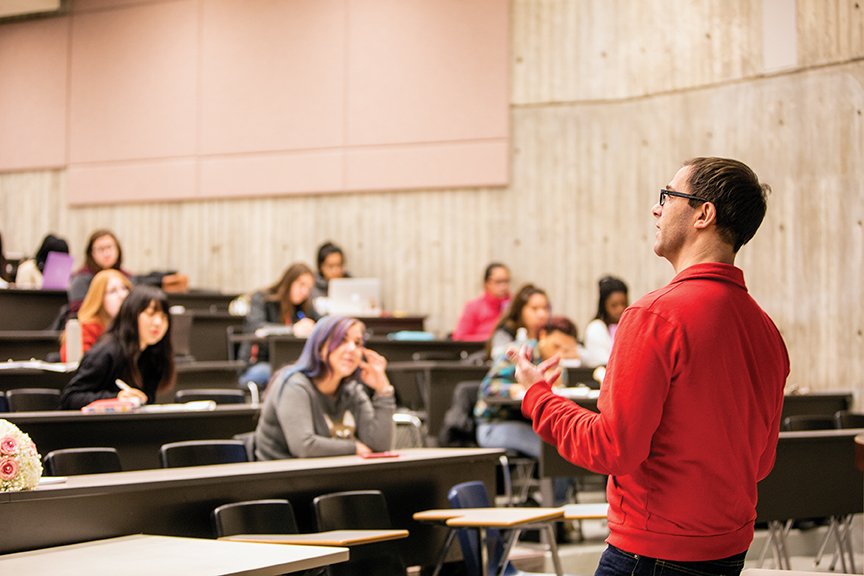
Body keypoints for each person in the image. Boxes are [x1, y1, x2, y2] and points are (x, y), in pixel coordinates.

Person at [511, 157, 789, 576]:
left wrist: (539, 399)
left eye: (668, 195)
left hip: (652, 553)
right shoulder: (766, 330)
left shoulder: (655, 316)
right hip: (727, 552)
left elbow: (613, 447)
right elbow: (761, 462)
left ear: (703, 214)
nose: (657, 209)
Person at [254, 315, 395, 460]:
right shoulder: (293, 385)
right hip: (280, 477)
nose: (352, 348)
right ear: (320, 347)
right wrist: (355, 448)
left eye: (358, 343)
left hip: (329, 477)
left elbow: (380, 446)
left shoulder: (352, 390)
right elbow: (304, 446)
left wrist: (383, 390)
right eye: (342, 340)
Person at [475, 315, 580, 505]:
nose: (560, 353)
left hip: (531, 425)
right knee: (557, 451)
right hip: (495, 424)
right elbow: (488, 389)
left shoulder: (557, 363)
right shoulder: (521, 353)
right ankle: (554, 511)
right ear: (543, 336)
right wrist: (519, 389)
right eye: (556, 346)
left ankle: (555, 510)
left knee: (570, 442)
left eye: (566, 349)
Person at [61, 284, 175, 410]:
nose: (158, 323)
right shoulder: (106, 352)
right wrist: (117, 398)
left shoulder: (153, 355)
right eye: (150, 314)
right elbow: (70, 398)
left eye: (164, 317)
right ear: (131, 314)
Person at [238, 263, 321, 389]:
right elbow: (257, 327)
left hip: (292, 363)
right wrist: (292, 330)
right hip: (260, 362)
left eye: (308, 288)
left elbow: (322, 323)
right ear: (289, 281)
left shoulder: (303, 307)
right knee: (287, 376)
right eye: (301, 285)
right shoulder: (262, 298)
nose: (304, 292)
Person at [59, 269, 132, 362]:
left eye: (125, 288)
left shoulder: (134, 323)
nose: (122, 295)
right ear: (99, 298)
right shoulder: (88, 327)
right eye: (112, 291)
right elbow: (77, 362)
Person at [68, 229, 130, 317]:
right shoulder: (81, 279)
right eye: (100, 249)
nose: (106, 253)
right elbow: (78, 313)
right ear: (92, 253)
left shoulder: (127, 277)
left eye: (110, 247)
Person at [486, 283, 550, 360]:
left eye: (545, 308)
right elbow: (498, 356)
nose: (542, 314)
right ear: (520, 310)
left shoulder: (551, 332)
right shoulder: (506, 331)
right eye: (534, 308)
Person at [452, 262, 511, 341]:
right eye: (498, 282)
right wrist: (491, 339)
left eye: (506, 281)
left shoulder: (513, 304)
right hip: (481, 350)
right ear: (486, 283)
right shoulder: (473, 306)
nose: (503, 286)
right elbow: (459, 337)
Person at [580, 276, 628, 367]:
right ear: (604, 306)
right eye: (614, 305)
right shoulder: (596, 328)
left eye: (624, 304)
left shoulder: (629, 327)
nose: (620, 309)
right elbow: (603, 363)